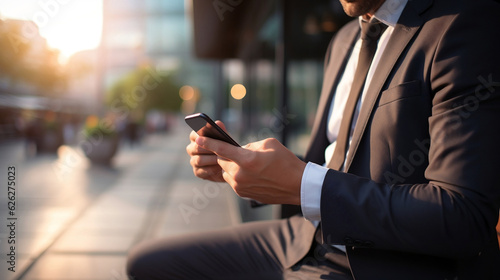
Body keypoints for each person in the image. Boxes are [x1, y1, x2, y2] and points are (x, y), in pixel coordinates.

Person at [127, 0, 500, 278]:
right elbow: (330, 163)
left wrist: (304, 184)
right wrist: (248, 170)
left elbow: (463, 215)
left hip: (384, 261)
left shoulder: (462, 24)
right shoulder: (342, 41)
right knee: (147, 264)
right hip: (307, 236)